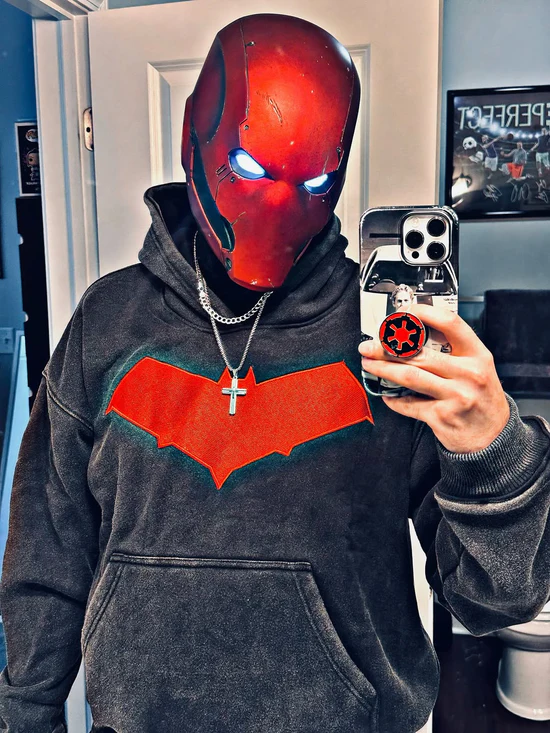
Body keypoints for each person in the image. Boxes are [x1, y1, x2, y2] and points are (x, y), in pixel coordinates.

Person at [1, 14, 550, 733]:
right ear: (197, 135)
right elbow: (47, 551)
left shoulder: (390, 340)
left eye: (316, 179)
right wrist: (25, 713)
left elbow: (490, 601)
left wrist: (494, 454)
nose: (279, 204)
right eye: (253, 168)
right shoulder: (110, 322)